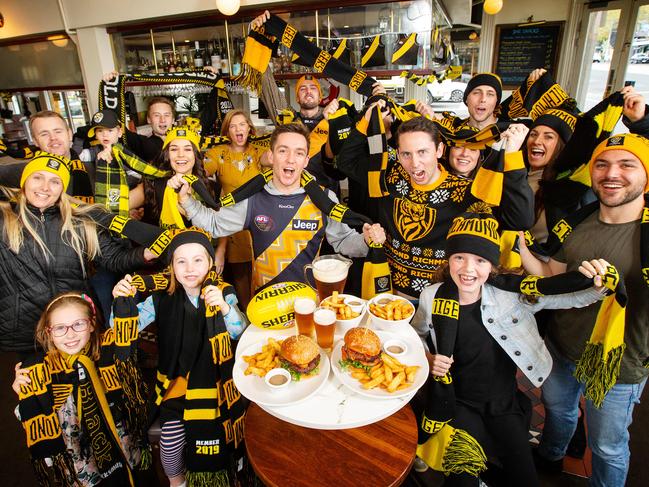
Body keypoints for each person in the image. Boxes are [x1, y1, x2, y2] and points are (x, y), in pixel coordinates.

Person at [411, 208, 610, 485]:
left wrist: (599, 284)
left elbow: (567, 298)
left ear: (492, 265)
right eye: (459, 257)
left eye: (480, 260)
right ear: (449, 260)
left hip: (502, 402)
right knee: (461, 479)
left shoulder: (512, 294)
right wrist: (427, 356)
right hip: (457, 402)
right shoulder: (431, 296)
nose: (468, 270)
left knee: (525, 479)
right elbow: (416, 334)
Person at [518, 133, 649, 486]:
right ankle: (551, 458)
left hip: (617, 366)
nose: (611, 173)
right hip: (561, 348)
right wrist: (520, 246)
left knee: (607, 448)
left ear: (646, 175)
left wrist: (615, 284)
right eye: (602, 164)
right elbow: (550, 275)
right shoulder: (576, 223)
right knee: (559, 412)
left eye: (627, 165)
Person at [336, 106, 534, 299]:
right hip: (386, 293)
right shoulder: (391, 176)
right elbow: (347, 162)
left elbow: (520, 219)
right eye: (406, 154)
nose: (414, 163)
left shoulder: (465, 191)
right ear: (398, 153)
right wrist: (366, 121)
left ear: (439, 150)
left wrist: (513, 156)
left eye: (422, 152)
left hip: (437, 301)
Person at [168, 123, 386, 292]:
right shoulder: (251, 198)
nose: (290, 159)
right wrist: (187, 199)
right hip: (265, 302)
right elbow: (214, 225)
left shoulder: (324, 198)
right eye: (283, 151)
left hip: (309, 300)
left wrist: (367, 241)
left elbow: (345, 242)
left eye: (299, 153)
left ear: (306, 160)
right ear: (271, 156)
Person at [111, 228, 247, 487]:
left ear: (210, 263)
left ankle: (224, 476)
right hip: (177, 383)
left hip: (215, 383)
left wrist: (225, 307)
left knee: (220, 435)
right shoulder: (161, 297)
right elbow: (124, 328)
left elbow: (239, 329)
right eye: (180, 261)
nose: (189, 268)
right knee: (169, 442)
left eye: (198, 260)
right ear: (171, 266)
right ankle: (177, 481)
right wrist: (121, 301)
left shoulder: (223, 291)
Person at [0, 152, 152, 354]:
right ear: (24, 182)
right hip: (25, 336)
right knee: (43, 385)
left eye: (55, 181)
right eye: (37, 177)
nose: (45, 187)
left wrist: (148, 253)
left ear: (62, 189)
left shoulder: (79, 223)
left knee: (90, 382)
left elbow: (115, 259)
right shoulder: (4, 220)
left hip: (78, 329)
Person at [12, 293, 149, 486]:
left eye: (78, 324)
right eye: (60, 328)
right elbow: (28, 417)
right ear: (49, 332)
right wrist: (22, 395)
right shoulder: (38, 371)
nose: (70, 334)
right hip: (79, 462)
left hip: (121, 446)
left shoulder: (111, 353)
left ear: (92, 324)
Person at [203, 109, 270, 307]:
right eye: (233, 126)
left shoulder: (259, 152)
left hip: (262, 224)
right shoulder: (217, 153)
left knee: (264, 279)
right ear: (227, 131)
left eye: (242, 124)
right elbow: (203, 169)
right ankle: (245, 324)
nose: (238, 129)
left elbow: (272, 159)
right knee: (241, 282)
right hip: (233, 228)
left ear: (250, 128)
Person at [0, 111, 93, 200]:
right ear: (35, 141)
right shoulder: (23, 172)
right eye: (44, 134)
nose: (53, 138)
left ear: (69, 134)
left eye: (58, 131)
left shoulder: (95, 168)